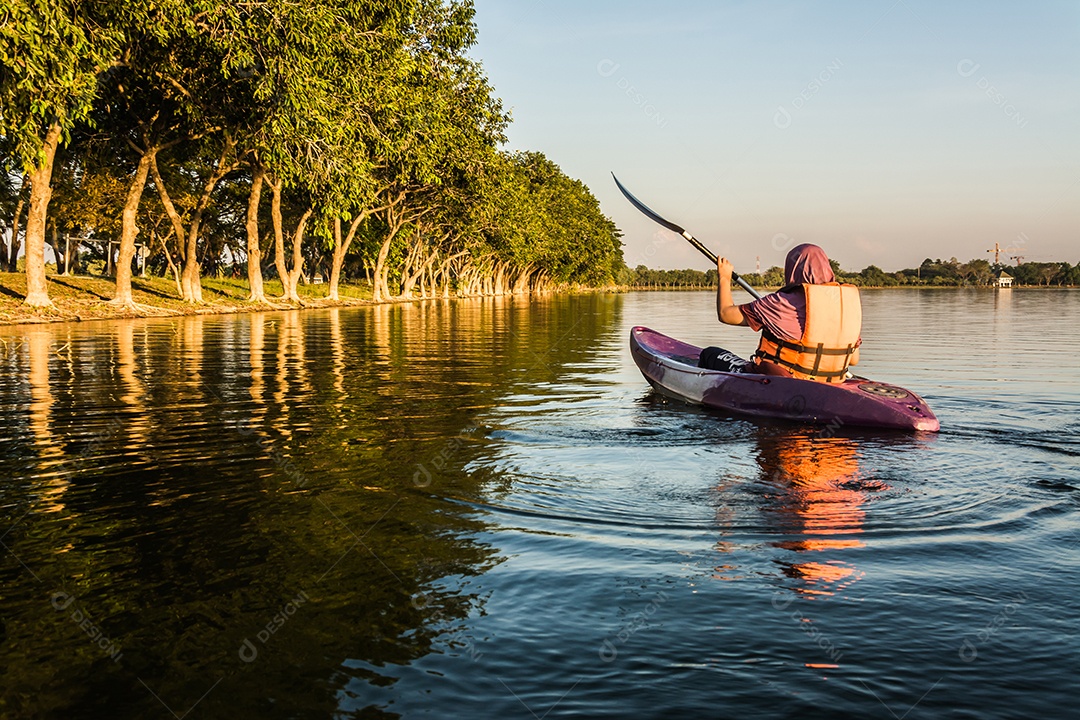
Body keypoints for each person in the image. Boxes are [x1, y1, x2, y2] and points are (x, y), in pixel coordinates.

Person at [699, 243, 861, 382]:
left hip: (785, 382)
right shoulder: (845, 307)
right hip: (832, 381)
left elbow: (726, 314)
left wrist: (724, 277)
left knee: (709, 354)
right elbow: (853, 359)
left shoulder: (781, 302)